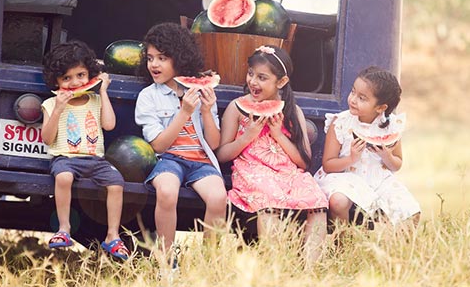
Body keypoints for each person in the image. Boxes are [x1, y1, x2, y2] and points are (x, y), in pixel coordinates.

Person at [215, 45, 329, 266]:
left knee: (317, 202)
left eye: (262, 77)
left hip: (288, 173)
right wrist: (248, 136)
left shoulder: (292, 111)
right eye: (251, 74)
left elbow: (303, 162)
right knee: (269, 199)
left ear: (282, 82)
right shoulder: (236, 108)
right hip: (252, 172)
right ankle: (275, 269)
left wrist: (278, 134)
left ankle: (310, 270)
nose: (253, 82)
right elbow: (222, 154)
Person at [134, 23, 227, 265]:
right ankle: (166, 259)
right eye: (150, 58)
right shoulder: (148, 97)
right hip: (169, 160)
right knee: (166, 192)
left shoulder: (200, 90)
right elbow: (158, 146)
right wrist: (184, 112)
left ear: (180, 58)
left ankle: (210, 263)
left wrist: (206, 111)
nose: (154, 64)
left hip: (200, 161)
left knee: (218, 198)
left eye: (162, 58)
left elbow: (214, 143)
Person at [41, 40, 129, 260]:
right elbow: (47, 138)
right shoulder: (51, 104)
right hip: (65, 158)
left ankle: (112, 235)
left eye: (81, 75)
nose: (74, 83)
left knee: (117, 183)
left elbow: (109, 125)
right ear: (56, 81)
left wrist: (104, 92)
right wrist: (59, 108)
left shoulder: (95, 100)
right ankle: (63, 229)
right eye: (66, 78)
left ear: (90, 74)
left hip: (95, 160)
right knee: (63, 177)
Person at [314, 66, 421, 228]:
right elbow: (328, 165)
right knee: (338, 202)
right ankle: (342, 245)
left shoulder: (391, 126)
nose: (353, 99)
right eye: (353, 91)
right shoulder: (340, 122)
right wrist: (351, 158)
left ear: (381, 107)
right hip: (344, 177)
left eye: (362, 98)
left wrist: (387, 156)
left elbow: (397, 164)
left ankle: (395, 251)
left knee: (411, 212)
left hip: (378, 180)